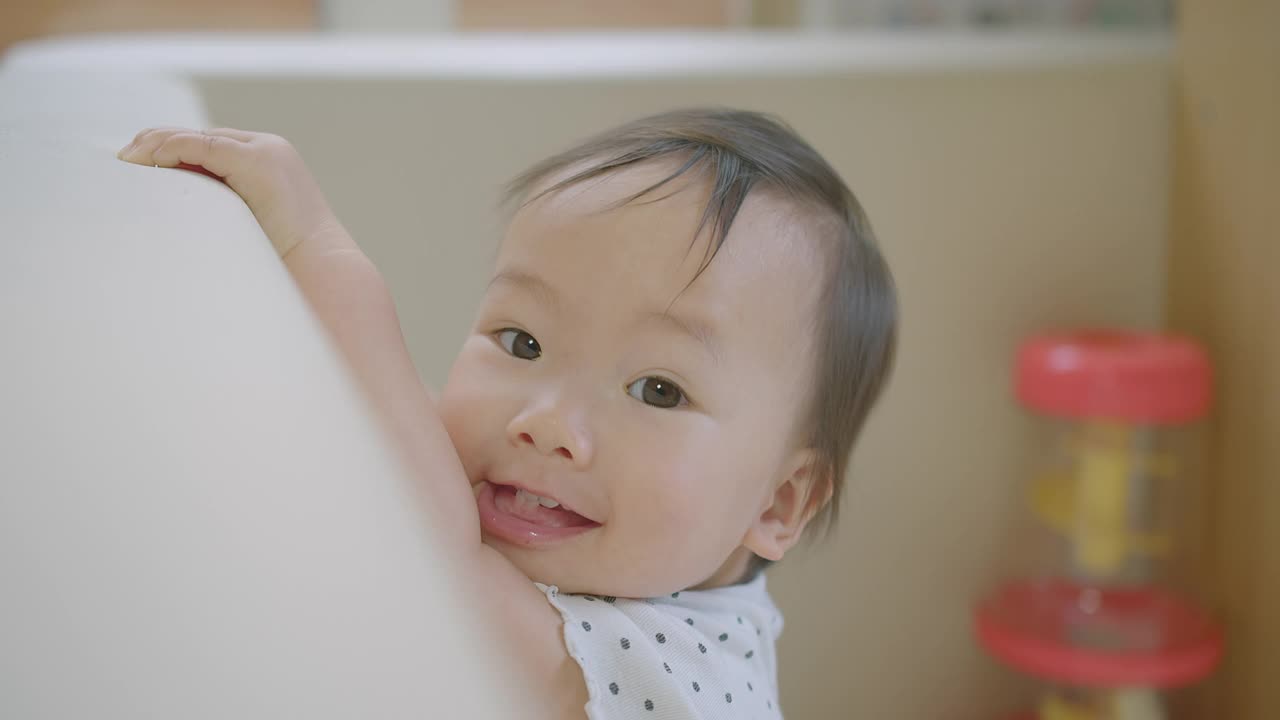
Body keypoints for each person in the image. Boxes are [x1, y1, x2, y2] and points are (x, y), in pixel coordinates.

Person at [117, 108, 897, 719]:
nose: (548, 423)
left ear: (778, 502)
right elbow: (405, 428)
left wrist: (313, 245)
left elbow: (435, 558)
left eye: (659, 390)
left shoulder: (667, 673)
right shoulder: (657, 561)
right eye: (521, 341)